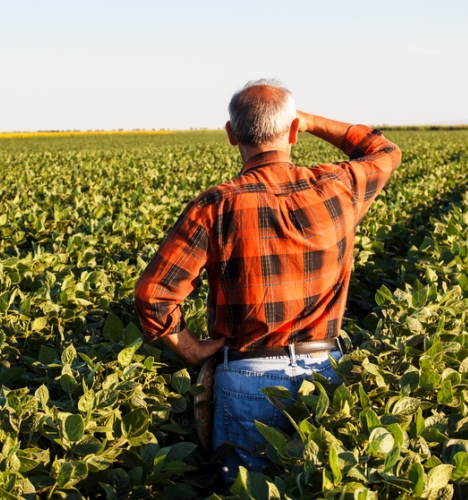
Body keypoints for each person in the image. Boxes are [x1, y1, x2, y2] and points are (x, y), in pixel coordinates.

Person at [133, 79, 401, 482]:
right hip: (325, 374)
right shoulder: (338, 186)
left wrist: (189, 349)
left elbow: (154, 295)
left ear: (230, 134)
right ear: (293, 131)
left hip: (246, 376)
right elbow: (384, 151)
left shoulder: (215, 205)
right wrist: (311, 121)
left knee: (248, 490)